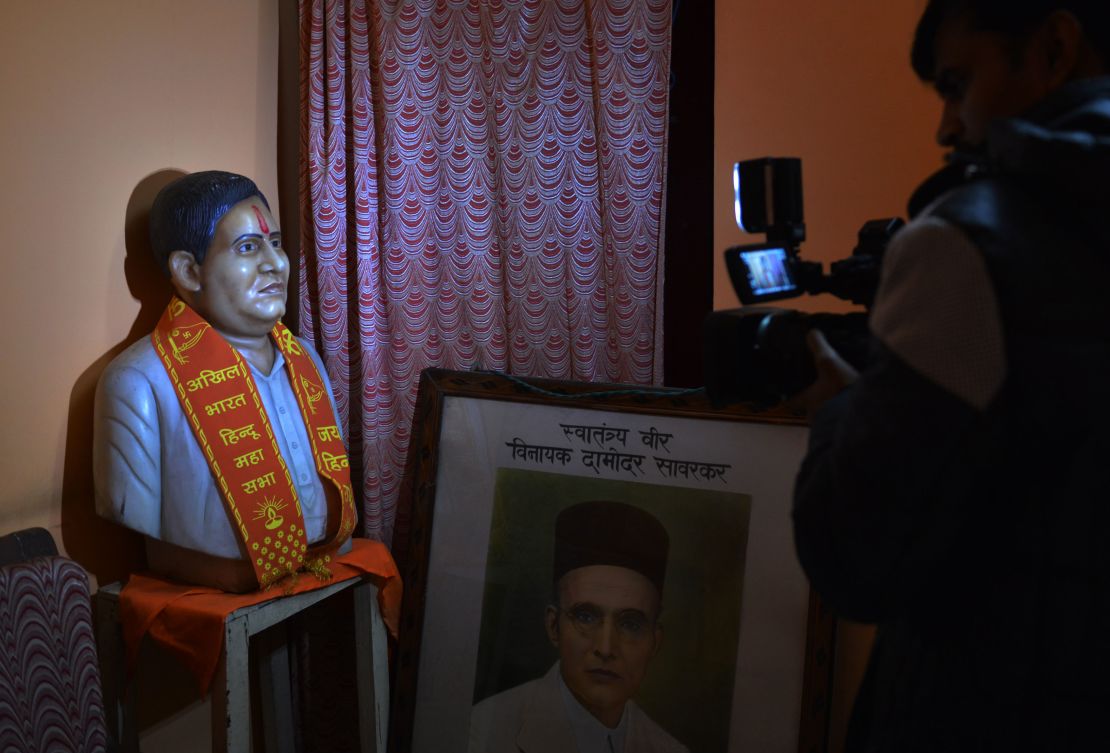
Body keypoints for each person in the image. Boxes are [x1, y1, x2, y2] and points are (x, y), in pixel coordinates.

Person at [792, 1, 1110, 750]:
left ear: (1054, 47)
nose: (945, 127)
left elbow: (854, 562)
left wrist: (840, 411)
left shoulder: (967, 246)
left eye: (957, 83)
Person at [93, 171, 357, 592]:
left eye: (275, 244)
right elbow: (128, 509)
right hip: (211, 579)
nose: (275, 264)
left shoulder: (304, 360)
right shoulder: (138, 383)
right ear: (188, 272)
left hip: (323, 561)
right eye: (248, 247)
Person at [469, 501, 688, 753]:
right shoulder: (484, 730)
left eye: (630, 623)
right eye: (586, 617)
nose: (606, 648)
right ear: (553, 626)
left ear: (655, 643)